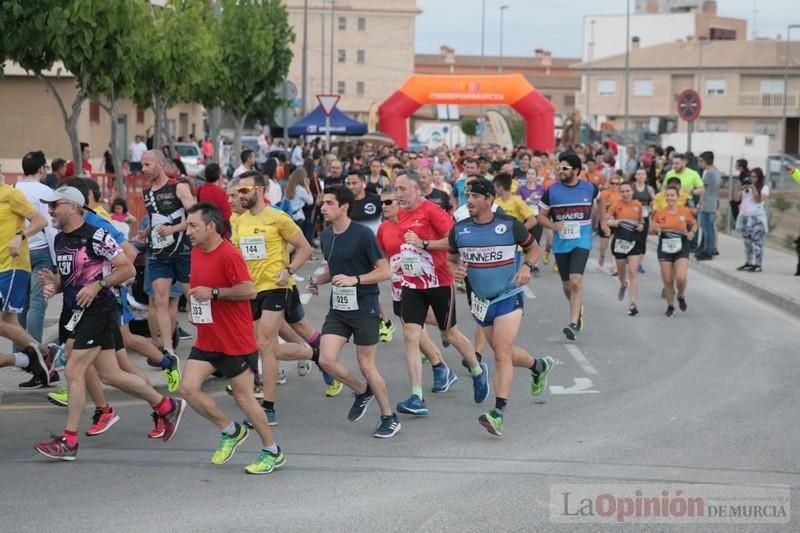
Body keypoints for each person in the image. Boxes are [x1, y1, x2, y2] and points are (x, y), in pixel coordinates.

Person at [34, 186, 185, 460]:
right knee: (110, 375)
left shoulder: (97, 235)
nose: (51, 211)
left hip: (100, 309)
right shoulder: (59, 240)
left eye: (55, 205)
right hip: (76, 311)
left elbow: (126, 267)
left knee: (74, 370)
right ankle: (166, 405)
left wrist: (98, 285)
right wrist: (53, 285)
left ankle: (69, 440)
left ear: (72, 205)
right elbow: (69, 280)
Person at [179, 203, 285, 474]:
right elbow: (198, 287)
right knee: (188, 388)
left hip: (234, 342)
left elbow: (249, 291)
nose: (187, 231)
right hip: (207, 338)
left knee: (245, 399)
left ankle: (272, 451)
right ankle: (230, 430)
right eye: (187, 225)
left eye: (193, 226)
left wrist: (214, 293)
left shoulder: (229, 254)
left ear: (211, 227)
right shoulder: (195, 252)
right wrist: (196, 307)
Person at [447, 178, 553, 436]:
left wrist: (527, 266)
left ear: (489, 200)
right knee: (501, 350)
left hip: (509, 295)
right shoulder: (459, 230)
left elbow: (533, 249)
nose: (469, 200)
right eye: (467, 195)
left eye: (475, 196)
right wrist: (456, 271)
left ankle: (497, 412)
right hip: (480, 301)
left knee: (501, 353)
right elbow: (450, 259)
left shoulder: (508, 226)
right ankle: (538, 366)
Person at [394, 171, 489, 416]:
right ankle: (417, 396)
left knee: (450, 333)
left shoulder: (432, 211)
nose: (398, 194)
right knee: (411, 335)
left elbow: (453, 240)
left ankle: (478, 371)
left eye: (402, 189)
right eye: (396, 189)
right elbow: (408, 244)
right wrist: (403, 261)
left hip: (439, 282)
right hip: (413, 284)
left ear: (416, 189)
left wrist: (424, 244)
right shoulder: (401, 214)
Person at [309, 187, 401, 438]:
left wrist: (356, 280)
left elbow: (384, 271)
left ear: (344, 206)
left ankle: (389, 417)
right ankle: (362, 391)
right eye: (323, 203)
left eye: (329, 203)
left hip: (364, 306)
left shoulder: (362, 235)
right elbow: (333, 269)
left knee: (366, 365)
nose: (324, 208)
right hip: (338, 309)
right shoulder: (327, 236)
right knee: (325, 360)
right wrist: (318, 280)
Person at [233, 171, 321, 425]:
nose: (240, 196)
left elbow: (305, 247)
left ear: (259, 190)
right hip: (251, 290)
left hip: (276, 287)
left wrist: (290, 270)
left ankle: (268, 408)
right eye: (238, 191)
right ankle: (315, 355)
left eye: (244, 190)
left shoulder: (278, 218)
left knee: (264, 344)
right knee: (261, 347)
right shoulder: (240, 221)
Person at [376, 185, 455, 393]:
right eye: (381, 203)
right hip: (398, 287)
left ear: (399, 202)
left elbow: (439, 246)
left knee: (415, 331)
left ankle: (441, 365)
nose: (383, 206)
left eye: (388, 202)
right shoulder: (384, 228)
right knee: (415, 333)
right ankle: (442, 366)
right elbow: (381, 256)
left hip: (422, 285)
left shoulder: (414, 222)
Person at [538, 152, 608, 341]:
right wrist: (553, 225)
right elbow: (541, 216)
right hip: (561, 243)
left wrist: (603, 222)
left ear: (576, 170)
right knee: (567, 286)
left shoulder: (589, 188)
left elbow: (601, 200)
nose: (560, 171)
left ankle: (573, 323)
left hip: (581, 241)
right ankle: (578, 309)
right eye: (559, 167)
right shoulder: (552, 191)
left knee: (576, 280)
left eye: (565, 168)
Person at [142, 149, 195, 360]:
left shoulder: (178, 187)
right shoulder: (147, 192)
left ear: (160, 165)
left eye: (147, 165)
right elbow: (155, 218)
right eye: (142, 165)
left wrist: (173, 229)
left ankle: (209, 344)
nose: (143, 169)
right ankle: (168, 350)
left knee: (195, 299)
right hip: (158, 253)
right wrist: (145, 232)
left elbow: (195, 216)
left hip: (183, 252)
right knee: (160, 301)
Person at [0, 175, 52, 387]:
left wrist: (21, 236)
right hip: (1, 267)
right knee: (10, 322)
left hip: (13, 265)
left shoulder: (11, 194)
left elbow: (41, 220)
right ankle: (40, 363)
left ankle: (44, 353)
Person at [14, 151, 58, 357]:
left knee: (20, 305)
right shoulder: (46, 191)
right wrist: (56, 257)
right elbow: (49, 226)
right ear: (41, 169)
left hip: (19, 251)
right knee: (38, 303)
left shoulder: (13, 189)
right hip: (41, 250)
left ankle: (20, 353)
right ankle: (35, 353)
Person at [652, 186, 697, 317]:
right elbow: (652, 228)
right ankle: (670, 306)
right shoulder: (660, 212)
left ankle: (681, 295)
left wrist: (692, 232)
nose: (669, 198)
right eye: (667, 195)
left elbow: (694, 223)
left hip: (681, 245)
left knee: (681, 277)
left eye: (672, 195)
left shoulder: (684, 211)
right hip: (665, 246)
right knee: (667, 279)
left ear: (677, 197)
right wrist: (655, 228)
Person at [608, 182, 645, 316]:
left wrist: (641, 225)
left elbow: (642, 221)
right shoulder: (616, 205)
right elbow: (607, 220)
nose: (625, 194)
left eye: (628, 191)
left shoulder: (638, 205)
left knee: (633, 271)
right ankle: (623, 284)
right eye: (622, 191)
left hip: (634, 240)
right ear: (620, 193)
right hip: (619, 241)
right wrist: (614, 222)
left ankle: (633, 303)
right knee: (622, 271)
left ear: (632, 191)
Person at [734, 167, 769, 273]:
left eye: (754, 177)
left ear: (759, 177)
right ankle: (749, 263)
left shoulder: (764, 187)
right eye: (750, 176)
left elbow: (759, 200)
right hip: (745, 217)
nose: (751, 179)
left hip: (757, 218)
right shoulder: (745, 188)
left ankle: (758, 264)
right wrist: (738, 189)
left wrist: (753, 187)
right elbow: (736, 200)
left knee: (757, 242)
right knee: (747, 243)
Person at [695, 151, 721, 261]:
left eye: (701, 161)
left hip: (708, 204)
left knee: (707, 229)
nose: (699, 163)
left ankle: (708, 251)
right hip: (712, 202)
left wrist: (689, 190)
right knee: (708, 228)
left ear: (705, 161)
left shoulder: (710, 173)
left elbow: (701, 188)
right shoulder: (716, 171)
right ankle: (707, 249)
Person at [631, 168, 655, 273]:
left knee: (642, 240)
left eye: (643, 174)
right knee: (632, 239)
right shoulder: (631, 188)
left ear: (646, 177)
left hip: (644, 217)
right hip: (632, 217)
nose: (640, 176)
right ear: (635, 176)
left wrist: (652, 209)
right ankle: (631, 260)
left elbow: (654, 202)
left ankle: (639, 264)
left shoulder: (649, 189)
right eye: (638, 174)